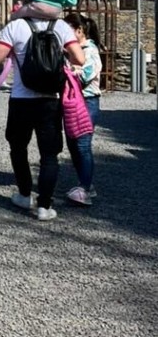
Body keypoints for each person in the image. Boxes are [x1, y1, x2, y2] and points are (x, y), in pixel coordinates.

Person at [0, 14, 84, 221]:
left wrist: (10, 47)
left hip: (21, 99)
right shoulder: (61, 26)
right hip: (50, 100)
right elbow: (80, 58)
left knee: (18, 147)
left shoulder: (16, 26)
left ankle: (24, 195)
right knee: (49, 155)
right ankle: (44, 206)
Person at [63, 12, 102, 206]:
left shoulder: (90, 50)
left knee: (83, 144)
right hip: (72, 101)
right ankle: (85, 183)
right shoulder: (69, 51)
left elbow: (86, 76)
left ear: (79, 31)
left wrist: (68, 73)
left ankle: (85, 188)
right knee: (73, 144)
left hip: (87, 101)